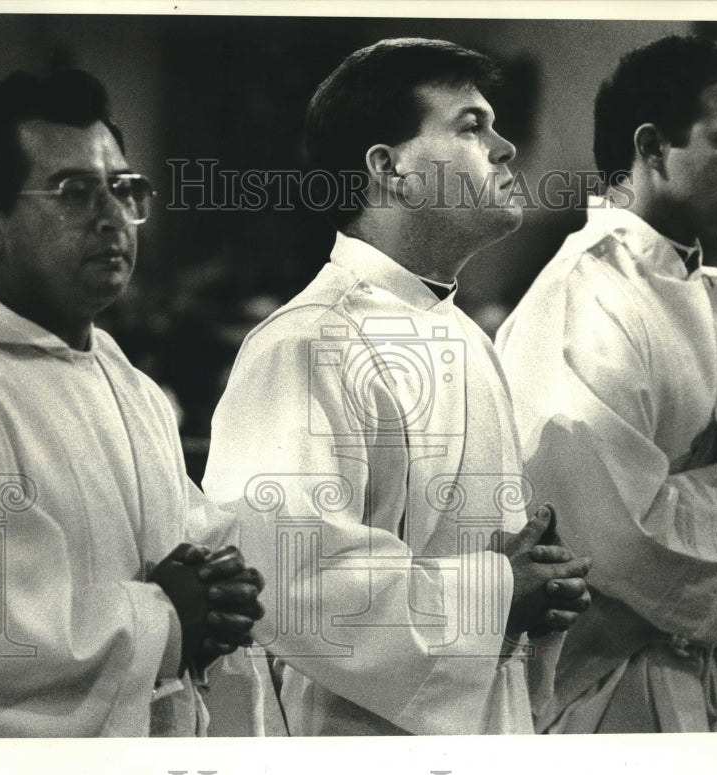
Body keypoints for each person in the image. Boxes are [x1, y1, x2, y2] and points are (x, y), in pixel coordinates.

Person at [202, 37, 591, 735]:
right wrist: (500, 593)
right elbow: (295, 582)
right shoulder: (305, 343)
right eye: (472, 127)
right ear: (390, 169)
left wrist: (537, 582)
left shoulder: (469, 337)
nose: (505, 149)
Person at [496, 35, 717, 733]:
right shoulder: (581, 300)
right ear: (653, 147)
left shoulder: (712, 293)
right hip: (619, 688)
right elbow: (613, 540)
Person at [0, 69, 264, 737]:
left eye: (125, 190)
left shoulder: (123, 378)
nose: (112, 217)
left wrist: (224, 588)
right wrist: (170, 619)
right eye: (73, 192)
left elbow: (195, 540)